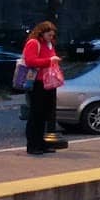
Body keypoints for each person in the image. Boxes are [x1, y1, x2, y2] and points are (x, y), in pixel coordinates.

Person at [21, 21, 61, 156]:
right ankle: (32, 144)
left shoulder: (48, 44)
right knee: (36, 114)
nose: (51, 37)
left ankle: (40, 143)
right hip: (37, 82)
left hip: (48, 82)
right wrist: (50, 61)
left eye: (52, 35)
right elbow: (30, 61)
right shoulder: (34, 43)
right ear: (42, 33)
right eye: (49, 35)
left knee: (44, 114)